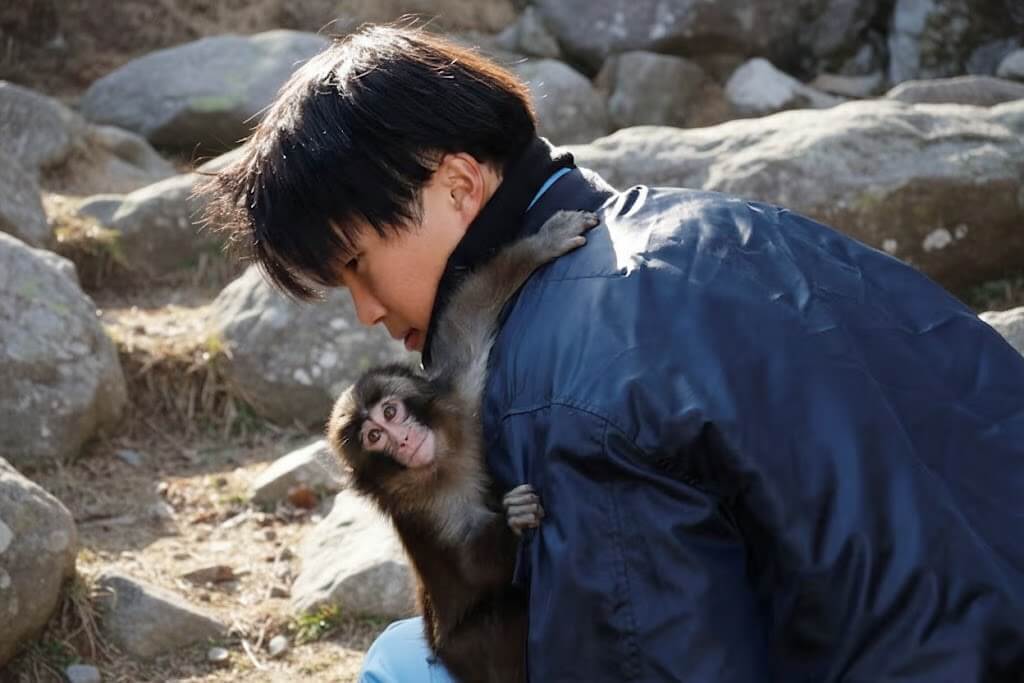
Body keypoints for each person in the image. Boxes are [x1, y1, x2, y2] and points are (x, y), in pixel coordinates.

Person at [201, 24, 1024, 682]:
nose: (369, 310)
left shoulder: (556, 390)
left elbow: (647, 654)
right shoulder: (733, 227)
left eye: (356, 265)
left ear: (456, 185)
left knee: (402, 669)